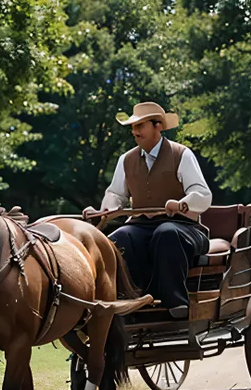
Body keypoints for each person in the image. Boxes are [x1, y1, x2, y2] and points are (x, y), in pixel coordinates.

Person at [83, 101, 212, 318]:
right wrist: (104, 211)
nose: (134, 132)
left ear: (158, 126)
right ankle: (130, 301)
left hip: (184, 227)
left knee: (166, 233)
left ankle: (175, 303)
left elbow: (203, 194)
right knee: (118, 238)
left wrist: (182, 204)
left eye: (140, 126)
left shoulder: (182, 154)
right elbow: (116, 195)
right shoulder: (126, 160)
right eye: (133, 127)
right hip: (141, 225)